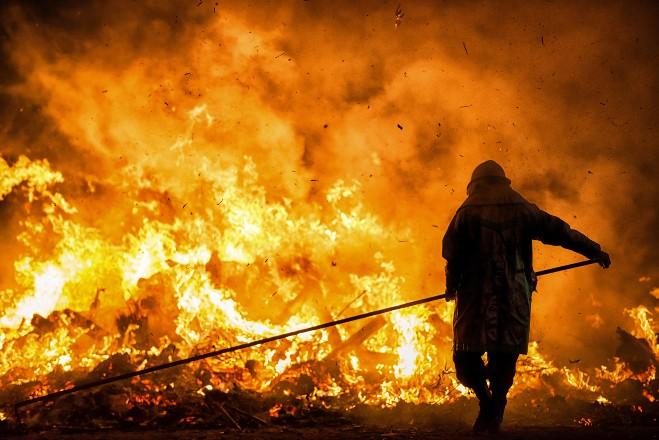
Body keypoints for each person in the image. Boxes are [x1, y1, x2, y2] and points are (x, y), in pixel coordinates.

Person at [442, 160, 610, 434]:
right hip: (513, 295)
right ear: (503, 181)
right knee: (503, 356)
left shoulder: (467, 211)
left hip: (475, 296)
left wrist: (451, 286)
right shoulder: (521, 208)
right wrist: (593, 250)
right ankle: (494, 406)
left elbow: (452, 255)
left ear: (475, 183)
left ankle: (488, 406)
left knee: (466, 356)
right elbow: (561, 232)